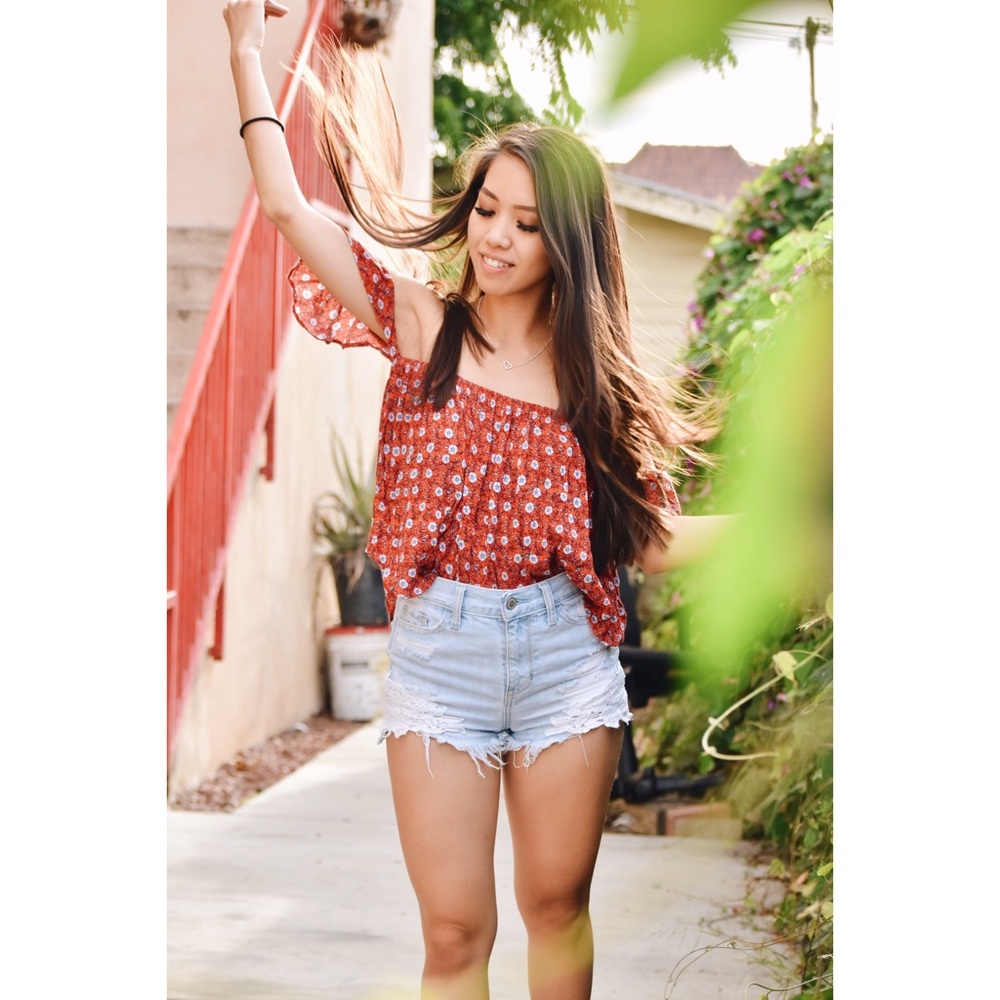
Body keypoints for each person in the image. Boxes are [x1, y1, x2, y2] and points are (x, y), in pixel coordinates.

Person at [223, 3, 732, 997]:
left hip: (562, 663)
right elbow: (286, 206)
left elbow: (656, 541)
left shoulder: (598, 389)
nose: (495, 236)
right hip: (440, 660)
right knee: (455, 935)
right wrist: (246, 50)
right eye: (487, 208)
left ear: (569, 244)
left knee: (556, 914)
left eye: (527, 224)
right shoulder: (423, 325)